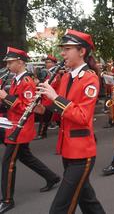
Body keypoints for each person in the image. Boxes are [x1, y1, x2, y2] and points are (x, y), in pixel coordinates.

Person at [37, 29, 106, 214]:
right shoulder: (66, 76)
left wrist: (55, 97)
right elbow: (60, 110)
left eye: (67, 49)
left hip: (82, 153)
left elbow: (83, 116)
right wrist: (42, 109)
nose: (63, 53)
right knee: (88, 201)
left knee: (60, 208)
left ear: (81, 51)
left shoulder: (90, 78)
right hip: (67, 148)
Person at [0, 47, 60, 214]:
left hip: (20, 128)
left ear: (20, 62)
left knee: (8, 163)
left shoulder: (26, 81)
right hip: (13, 124)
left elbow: (27, 107)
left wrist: (6, 97)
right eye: (7, 62)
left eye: (10, 62)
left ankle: (7, 199)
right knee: (26, 157)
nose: (8, 65)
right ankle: (52, 177)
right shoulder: (17, 80)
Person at [35, 54, 61, 139]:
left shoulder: (55, 73)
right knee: (53, 117)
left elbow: (52, 85)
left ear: (54, 63)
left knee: (46, 117)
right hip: (46, 98)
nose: (46, 63)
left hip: (50, 98)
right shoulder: (46, 72)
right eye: (46, 62)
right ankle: (42, 133)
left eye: (48, 62)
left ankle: (42, 133)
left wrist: (39, 83)